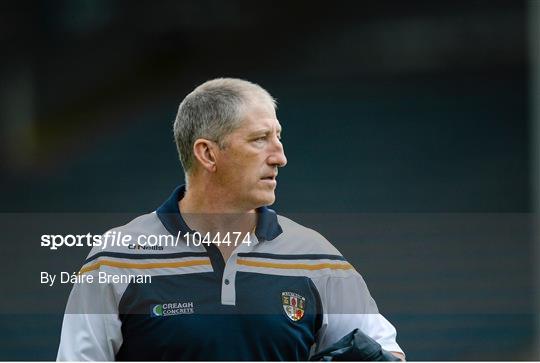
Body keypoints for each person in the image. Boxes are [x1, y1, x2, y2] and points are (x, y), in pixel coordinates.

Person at [57, 78, 405, 361]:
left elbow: (387, 353)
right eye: (260, 140)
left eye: (278, 138)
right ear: (208, 153)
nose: (280, 157)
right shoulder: (117, 258)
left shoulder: (317, 257)